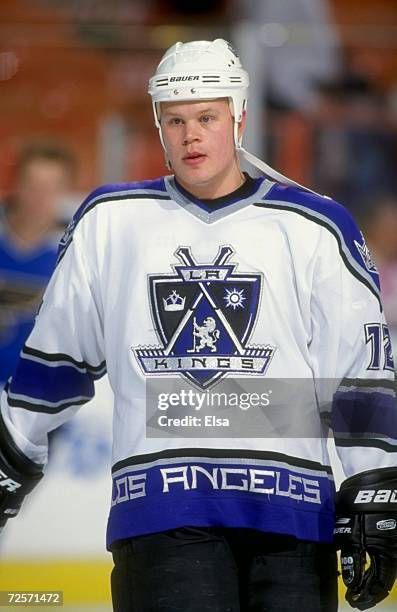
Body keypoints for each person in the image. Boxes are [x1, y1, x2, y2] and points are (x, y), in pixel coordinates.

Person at [0, 39, 396, 612]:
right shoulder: (110, 223)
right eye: (175, 120)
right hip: (162, 516)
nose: (190, 135)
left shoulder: (315, 224)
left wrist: (373, 492)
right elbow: (55, 360)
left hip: (291, 518)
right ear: (158, 127)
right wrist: (11, 450)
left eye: (207, 117)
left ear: (238, 117)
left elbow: (358, 373)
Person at [0, 140, 76, 386]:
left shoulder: (78, 252)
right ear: (15, 184)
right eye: (32, 185)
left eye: (52, 188)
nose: (40, 197)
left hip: (39, 396)